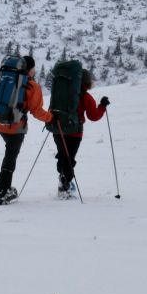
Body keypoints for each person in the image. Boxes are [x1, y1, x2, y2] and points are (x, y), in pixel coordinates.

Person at [0, 56, 53, 204]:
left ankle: (3, 189)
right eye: (33, 68)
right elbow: (37, 111)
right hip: (16, 127)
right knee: (10, 157)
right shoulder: (32, 86)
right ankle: (3, 191)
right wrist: (50, 118)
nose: (34, 71)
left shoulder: (8, 78)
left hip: (0, 122)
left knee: (9, 154)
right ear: (29, 69)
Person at [50, 69, 108, 198]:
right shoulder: (85, 96)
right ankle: (65, 187)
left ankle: (63, 180)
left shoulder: (60, 93)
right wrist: (102, 106)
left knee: (63, 155)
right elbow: (93, 116)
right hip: (75, 133)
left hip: (58, 129)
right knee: (69, 158)